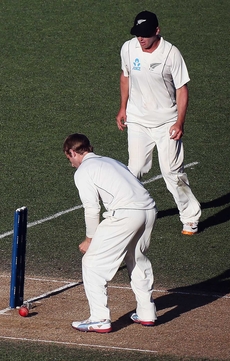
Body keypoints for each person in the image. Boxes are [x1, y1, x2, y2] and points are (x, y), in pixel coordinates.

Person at [116, 10, 201, 235]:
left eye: (145, 34)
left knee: (172, 172)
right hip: (138, 121)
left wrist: (179, 122)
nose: (140, 39)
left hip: (166, 123)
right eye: (137, 34)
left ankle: (190, 217)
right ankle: (131, 213)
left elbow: (182, 89)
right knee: (134, 169)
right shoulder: (128, 48)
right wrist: (123, 108)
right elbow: (125, 76)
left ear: (157, 31)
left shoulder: (171, 54)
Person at [64, 133, 157, 333]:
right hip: (149, 210)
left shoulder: (84, 171)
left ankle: (99, 318)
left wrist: (90, 239)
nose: (71, 164)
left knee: (91, 263)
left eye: (69, 158)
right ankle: (147, 312)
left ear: (72, 152)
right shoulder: (112, 162)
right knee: (136, 258)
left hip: (125, 215)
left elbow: (92, 209)